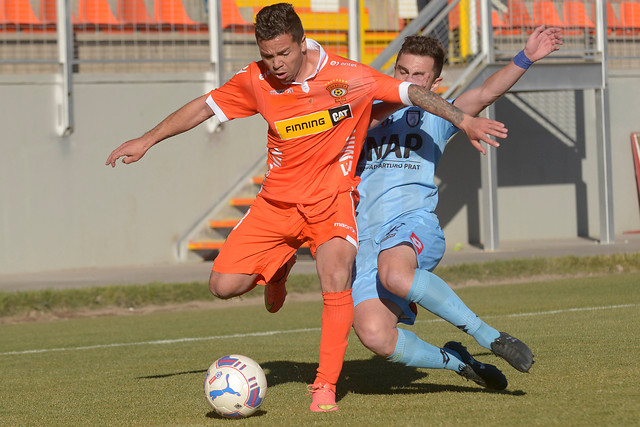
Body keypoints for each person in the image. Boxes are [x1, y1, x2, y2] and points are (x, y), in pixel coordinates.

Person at [105, 3, 507, 412]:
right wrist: (146, 140)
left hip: (331, 200)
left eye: (283, 53)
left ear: (301, 42)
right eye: (267, 55)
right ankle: (278, 268)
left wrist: (463, 120)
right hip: (276, 203)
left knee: (335, 276)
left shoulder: (348, 76)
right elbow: (203, 106)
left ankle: (324, 386)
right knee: (223, 286)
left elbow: (411, 92)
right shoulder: (255, 79)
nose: (276, 64)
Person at [352, 26, 562, 389]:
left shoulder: (437, 116)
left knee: (396, 275)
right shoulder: (364, 116)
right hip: (365, 238)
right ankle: (457, 362)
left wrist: (525, 57)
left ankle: (488, 336)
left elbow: (484, 92)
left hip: (410, 223)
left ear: (435, 84)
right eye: (403, 72)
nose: (410, 80)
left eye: (419, 75)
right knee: (374, 335)